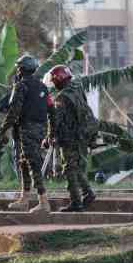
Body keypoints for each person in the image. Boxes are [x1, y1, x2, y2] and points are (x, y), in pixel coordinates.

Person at [0, 55, 54, 214]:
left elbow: (13, 112)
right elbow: (51, 110)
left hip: (27, 130)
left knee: (33, 165)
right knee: (23, 163)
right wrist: (50, 132)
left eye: (18, 68)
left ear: (21, 69)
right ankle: (24, 199)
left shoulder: (21, 86)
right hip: (40, 130)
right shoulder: (43, 87)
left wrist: (1, 131)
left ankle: (43, 202)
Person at [43, 65, 96, 212]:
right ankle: (88, 193)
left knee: (69, 169)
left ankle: (76, 202)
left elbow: (55, 120)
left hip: (70, 137)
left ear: (59, 80)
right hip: (83, 134)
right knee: (75, 167)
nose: (53, 84)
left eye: (54, 81)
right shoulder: (77, 89)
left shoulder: (62, 97)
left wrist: (49, 137)